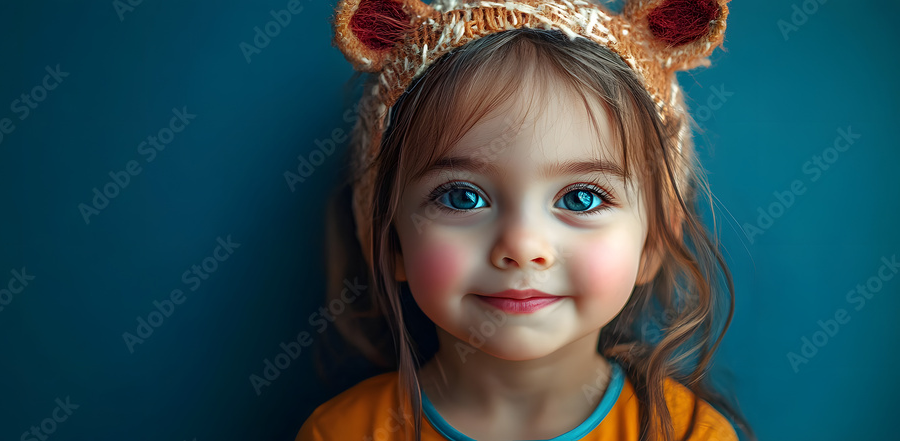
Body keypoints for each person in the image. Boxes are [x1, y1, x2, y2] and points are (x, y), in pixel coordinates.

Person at [298, 0, 755, 440]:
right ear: (390, 239)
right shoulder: (342, 434)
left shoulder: (693, 436)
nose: (521, 245)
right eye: (463, 197)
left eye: (580, 199)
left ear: (653, 242)